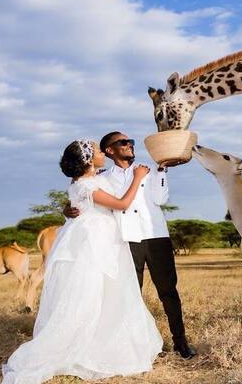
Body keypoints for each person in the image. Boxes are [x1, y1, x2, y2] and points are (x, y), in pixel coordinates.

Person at [1, 140, 163, 384]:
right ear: (88, 160)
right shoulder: (87, 184)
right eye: (97, 152)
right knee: (90, 292)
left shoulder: (86, 180)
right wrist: (138, 177)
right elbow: (120, 204)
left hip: (100, 237)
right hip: (94, 240)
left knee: (106, 293)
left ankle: (99, 341)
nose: (101, 154)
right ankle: (81, 348)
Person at [66, 131, 196, 359]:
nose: (130, 145)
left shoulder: (150, 170)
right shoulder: (102, 177)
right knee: (130, 296)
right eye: (123, 143)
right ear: (110, 150)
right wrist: (66, 210)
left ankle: (180, 342)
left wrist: (162, 170)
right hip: (125, 240)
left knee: (168, 292)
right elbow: (82, 194)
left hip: (156, 236)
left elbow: (161, 199)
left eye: (131, 142)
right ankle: (132, 347)